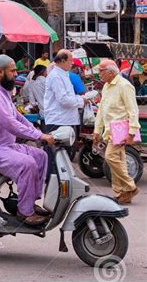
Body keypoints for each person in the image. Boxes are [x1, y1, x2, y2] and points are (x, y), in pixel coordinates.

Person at [0, 55, 55, 226]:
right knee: (27, 164)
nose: (16, 73)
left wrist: (38, 132)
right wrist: (39, 136)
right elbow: (9, 123)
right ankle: (24, 212)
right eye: (12, 70)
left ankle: (30, 202)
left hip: (7, 146)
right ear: (0, 72)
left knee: (40, 156)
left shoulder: (3, 92)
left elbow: (17, 117)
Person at [93, 59, 140, 205]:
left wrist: (131, 132)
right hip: (110, 130)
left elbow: (133, 110)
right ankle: (120, 192)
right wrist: (97, 130)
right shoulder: (106, 86)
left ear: (110, 72)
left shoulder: (124, 86)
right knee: (118, 161)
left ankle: (130, 186)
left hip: (121, 130)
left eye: (101, 71)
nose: (99, 74)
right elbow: (102, 109)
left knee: (111, 157)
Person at [44, 50, 89, 157]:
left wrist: (80, 99)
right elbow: (63, 99)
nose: (72, 63)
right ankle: (51, 174)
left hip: (65, 119)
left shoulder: (64, 75)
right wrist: (81, 100)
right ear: (63, 60)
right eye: (70, 60)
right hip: (58, 121)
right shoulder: (56, 76)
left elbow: (68, 96)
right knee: (56, 157)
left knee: (65, 155)